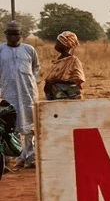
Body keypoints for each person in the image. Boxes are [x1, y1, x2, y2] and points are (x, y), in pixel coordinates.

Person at [0, 21, 38, 169]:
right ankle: (14, 157)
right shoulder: (1, 50)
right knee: (10, 126)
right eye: (10, 33)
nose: (13, 37)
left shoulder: (29, 50)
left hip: (27, 93)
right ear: (6, 34)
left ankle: (30, 157)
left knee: (30, 127)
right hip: (8, 93)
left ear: (21, 35)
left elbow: (35, 67)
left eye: (16, 34)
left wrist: (33, 82)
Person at [44, 31, 86, 101]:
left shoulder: (74, 61)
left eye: (59, 42)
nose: (56, 44)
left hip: (68, 98)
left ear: (65, 45)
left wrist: (55, 82)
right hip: (54, 96)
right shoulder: (56, 61)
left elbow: (77, 81)